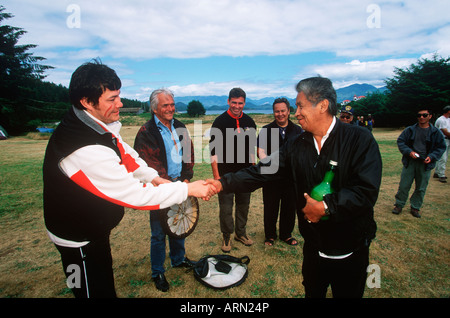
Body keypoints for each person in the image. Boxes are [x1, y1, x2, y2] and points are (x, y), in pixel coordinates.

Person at [42, 60, 215, 298]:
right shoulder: (85, 149)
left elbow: (129, 157)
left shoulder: (98, 127)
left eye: (118, 97)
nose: (120, 104)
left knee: (104, 282)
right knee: (94, 291)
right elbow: (137, 195)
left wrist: (157, 180)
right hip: (78, 238)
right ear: (87, 102)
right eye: (112, 99)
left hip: (94, 229)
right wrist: (187, 190)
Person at [207, 77, 382, 298]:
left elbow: (366, 191)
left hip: (351, 250)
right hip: (313, 248)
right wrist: (223, 182)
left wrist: (327, 206)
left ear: (323, 105)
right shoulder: (298, 144)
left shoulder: (359, 139)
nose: (296, 112)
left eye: (300, 106)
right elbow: (262, 170)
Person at [134, 88, 196, 292]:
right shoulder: (147, 132)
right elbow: (148, 163)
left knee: (179, 224)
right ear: (154, 108)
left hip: (180, 182)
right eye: (165, 105)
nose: (170, 109)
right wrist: (170, 185)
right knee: (159, 232)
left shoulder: (179, 126)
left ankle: (178, 260)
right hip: (160, 188)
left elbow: (189, 152)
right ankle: (157, 271)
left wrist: (186, 177)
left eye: (172, 104)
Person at [209, 87, 257, 253]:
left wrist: (253, 171)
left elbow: (252, 149)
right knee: (226, 208)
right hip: (225, 175)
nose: (237, 106)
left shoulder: (250, 122)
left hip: (245, 175)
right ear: (228, 101)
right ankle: (226, 236)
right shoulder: (219, 122)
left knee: (244, 205)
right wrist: (216, 177)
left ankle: (240, 233)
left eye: (240, 103)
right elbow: (213, 153)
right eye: (234, 102)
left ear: (244, 103)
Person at [257, 97, 302, 246]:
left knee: (289, 207)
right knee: (270, 206)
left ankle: (286, 234)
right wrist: (268, 162)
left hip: (291, 177)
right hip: (271, 177)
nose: (280, 114)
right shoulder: (266, 130)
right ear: (273, 112)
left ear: (289, 111)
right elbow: (260, 151)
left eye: (283, 111)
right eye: (277, 111)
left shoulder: (298, 130)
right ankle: (270, 235)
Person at [392, 107, 446, 217]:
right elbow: (401, 141)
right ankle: (399, 204)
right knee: (404, 185)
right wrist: (409, 152)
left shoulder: (436, 132)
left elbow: (441, 147)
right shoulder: (410, 130)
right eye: (419, 115)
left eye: (424, 115)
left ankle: (415, 207)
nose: (421, 117)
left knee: (421, 187)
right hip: (410, 162)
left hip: (425, 163)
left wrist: (432, 156)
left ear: (430, 116)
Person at [433, 105, 450, 183]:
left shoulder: (448, 119)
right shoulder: (441, 120)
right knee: (443, 158)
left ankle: (437, 172)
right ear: (448, 111)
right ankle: (441, 175)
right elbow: (445, 131)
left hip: (447, 140)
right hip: (442, 140)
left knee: (443, 157)